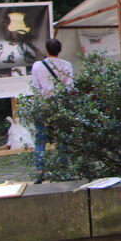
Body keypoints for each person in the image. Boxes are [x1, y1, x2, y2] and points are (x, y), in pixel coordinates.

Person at [30, 38, 74, 175]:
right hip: (60, 104)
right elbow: (69, 86)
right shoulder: (67, 65)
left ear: (46, 50)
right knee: (62, 138)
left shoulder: (37, 65)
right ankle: (63, 168)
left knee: (40, 138)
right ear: (60, 50)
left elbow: (35, 87)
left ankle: (40, 170)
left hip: (43, 105)